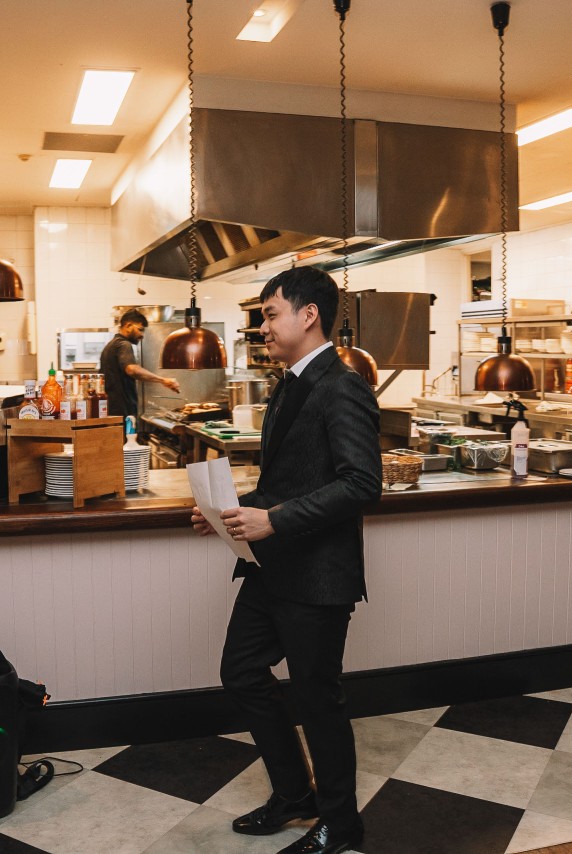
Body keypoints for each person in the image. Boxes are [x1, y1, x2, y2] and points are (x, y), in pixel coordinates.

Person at [191, 266, 381, 854]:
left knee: (317, 699)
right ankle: (295, 795)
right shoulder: (288, 383)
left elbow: (361, 484)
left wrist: (273, 520)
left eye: (271, 314)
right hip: (272, 567)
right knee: (242, 673)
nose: (264, 327)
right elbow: (289, 483)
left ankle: (341, 825)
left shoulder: (342, 384)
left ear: (309, 315)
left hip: (318, 575)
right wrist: (230, 512)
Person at [100, 309, 180, 417]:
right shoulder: (123, 344)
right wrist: (163, 380)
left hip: (113, 410)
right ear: (128, 326)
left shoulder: (111, 345)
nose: (142, 335)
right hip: (123, 411)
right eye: (140, 330)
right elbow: (132, 370)